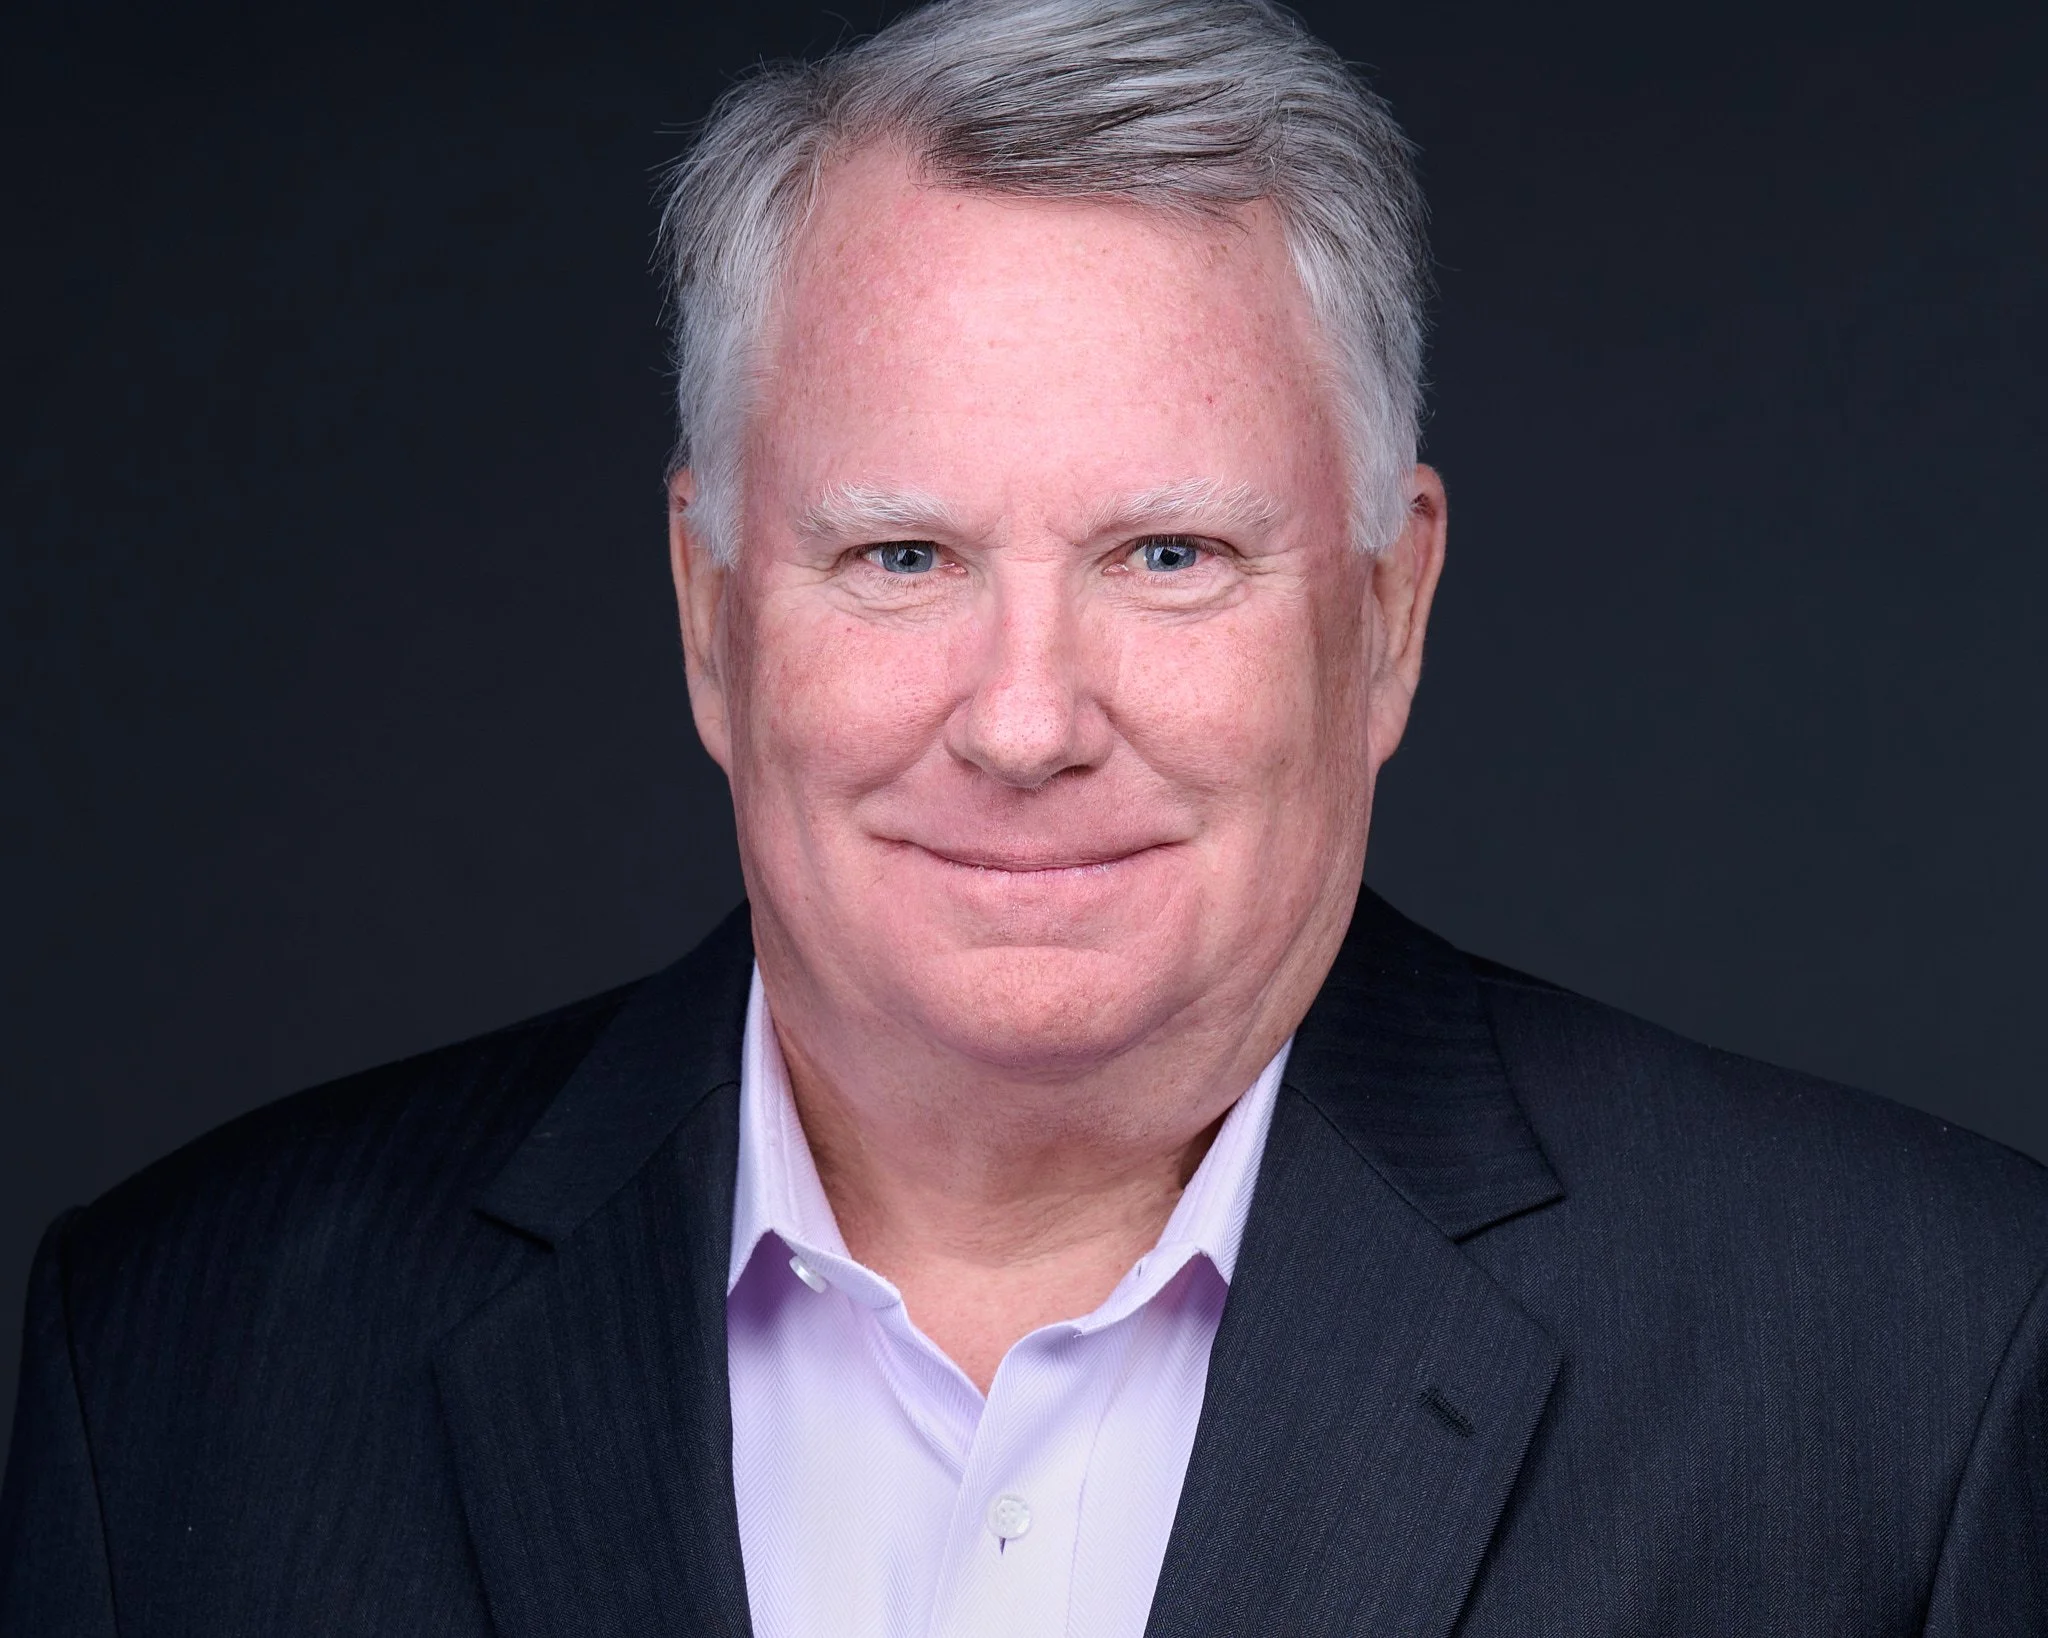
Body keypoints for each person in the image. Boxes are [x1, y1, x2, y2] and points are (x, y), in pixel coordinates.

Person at [4, 0, 2044, 1631]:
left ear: (1388, 613)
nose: (1023, 718)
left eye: (1165, 555)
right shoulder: (188, 1359)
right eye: (898, 558)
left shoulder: (1917, 1366)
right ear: (712, 621)